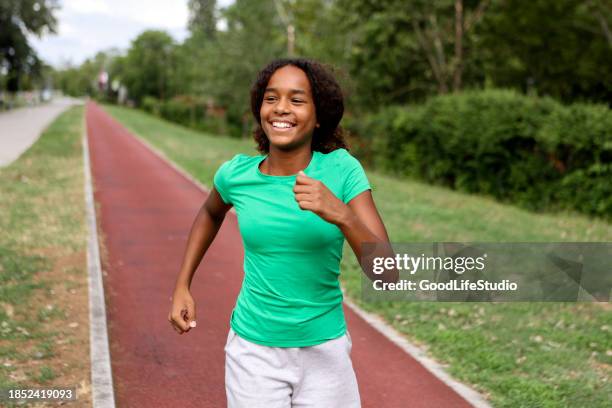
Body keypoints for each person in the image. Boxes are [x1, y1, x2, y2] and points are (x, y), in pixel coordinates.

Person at [168, 58, 398, 407]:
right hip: (254, 351)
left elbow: (388, 275)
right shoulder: (237, 174)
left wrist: (342, 214)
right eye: (271, 98)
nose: (281, 109)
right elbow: (209, 213)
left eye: (297, 99)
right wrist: (183, 284)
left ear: (319, 115)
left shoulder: (341, 170)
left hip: (325, 351)